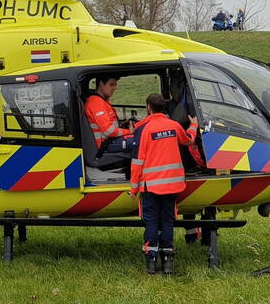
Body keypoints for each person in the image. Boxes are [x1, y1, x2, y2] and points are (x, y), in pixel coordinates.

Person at [130, 93, 199, 275]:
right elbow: (188, 140)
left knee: (151, 223)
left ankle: (151, 262)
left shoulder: (144, 130)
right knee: (168, 222)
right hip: (172, 186)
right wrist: (194, 125)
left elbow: (137, 162)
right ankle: (168, 262)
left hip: (151, 187)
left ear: (148, 108)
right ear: (164, 108)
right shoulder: (174, 126)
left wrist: (133, 188)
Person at [85, 75, 136, 155]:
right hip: (105, 144)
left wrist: (123, 123)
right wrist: (129, 131)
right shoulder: (95, 103)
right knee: (141, 141)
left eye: (115, 85)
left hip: (110, 140)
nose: (114, 88)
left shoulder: (103, 101)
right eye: (111, 85)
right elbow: (108, 131)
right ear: (101, 84)